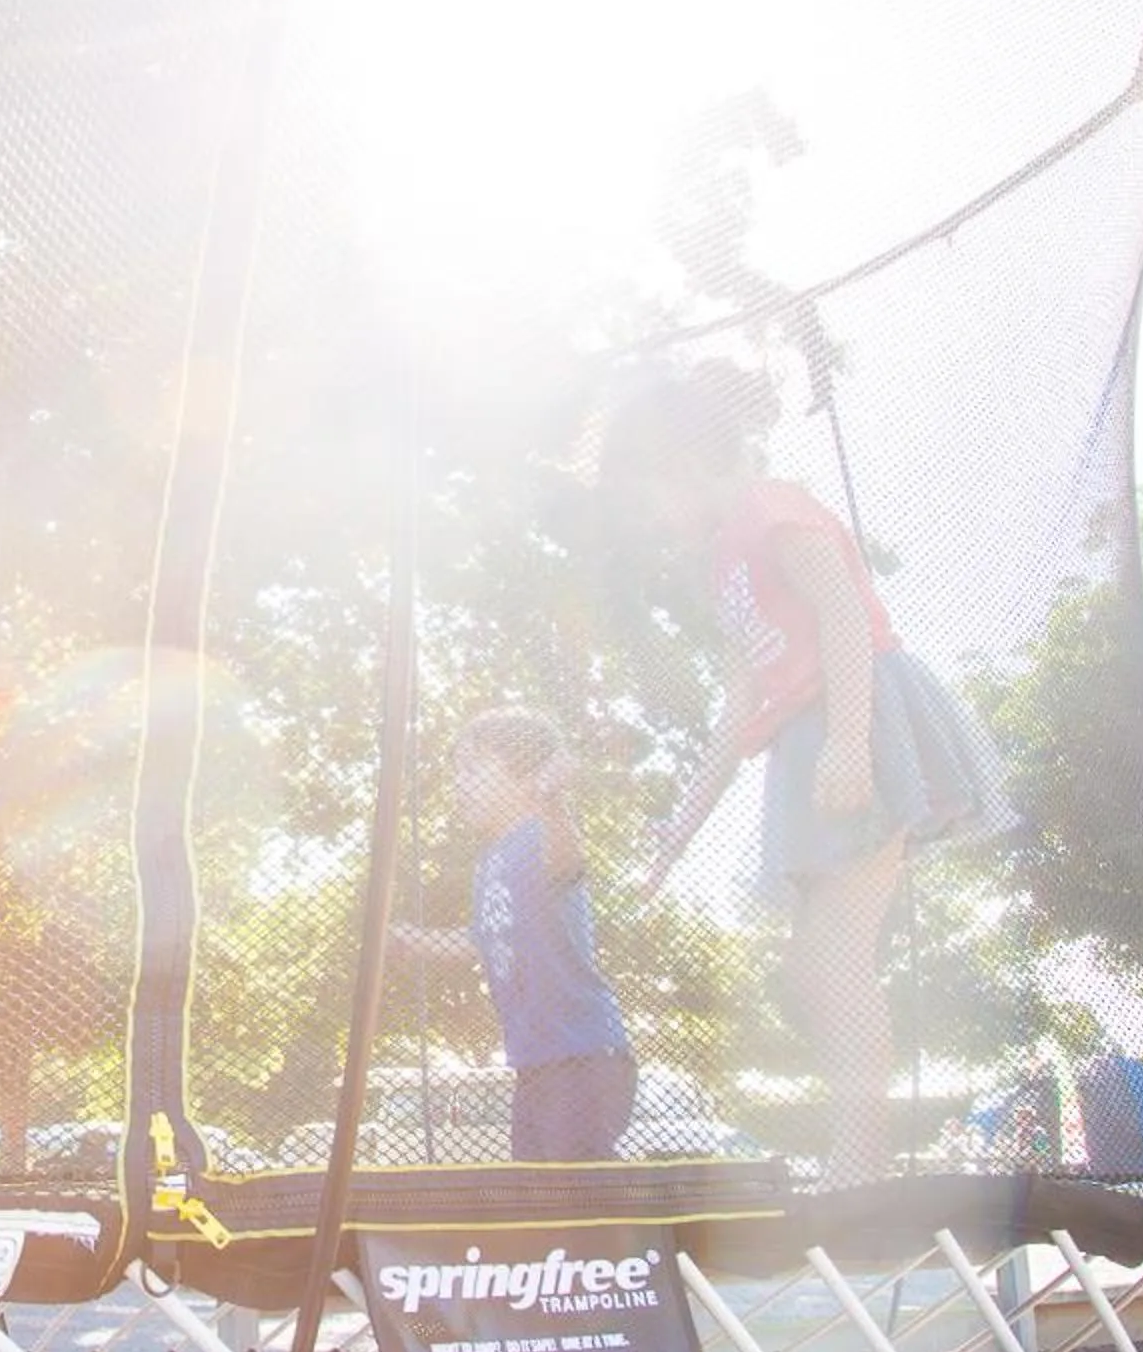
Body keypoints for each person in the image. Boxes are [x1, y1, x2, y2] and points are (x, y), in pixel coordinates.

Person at [609, 360, 1002, 1185]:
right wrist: (674, 837)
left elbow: (844, 614)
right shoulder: (721, 566)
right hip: (804, 745)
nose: (648, 520)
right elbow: (737, 710)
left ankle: (862, 1164)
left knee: (833, 958)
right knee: (815, 966)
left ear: (679, 464)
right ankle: (855, 1153)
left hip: (860, 719)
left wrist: (851, 741)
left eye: (647, 497)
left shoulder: (770, 508)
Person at [392, 708, 635, 1162]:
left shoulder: (540, 832)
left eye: (474, 768)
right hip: (535, 1061)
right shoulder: (489, 862)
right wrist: (413, 940)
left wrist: (552, 798)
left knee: (574, 1182)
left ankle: (623, 1226)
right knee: (535, 1183)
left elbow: (568, 862)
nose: (459, 783)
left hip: (582, 1053)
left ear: (525, 777)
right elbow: (481, 940)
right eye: (456, 772)